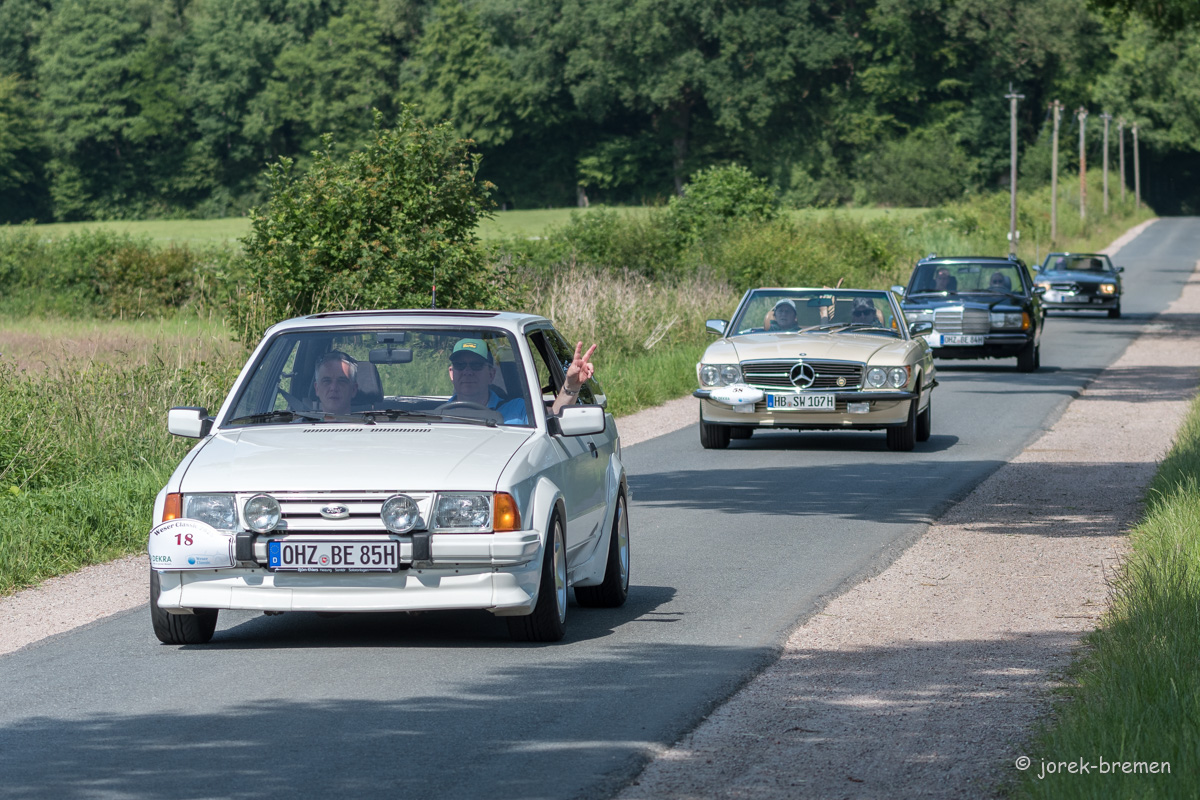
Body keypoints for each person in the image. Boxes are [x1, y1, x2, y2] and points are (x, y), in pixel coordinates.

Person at [447, 338, 596, 424]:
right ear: (452, 373)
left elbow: (556, 416)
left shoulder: (518, 409)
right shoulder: (438, 415)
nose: (467, 372)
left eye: (476, 365)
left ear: (491, 374)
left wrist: (571, 385)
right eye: (460, 365)